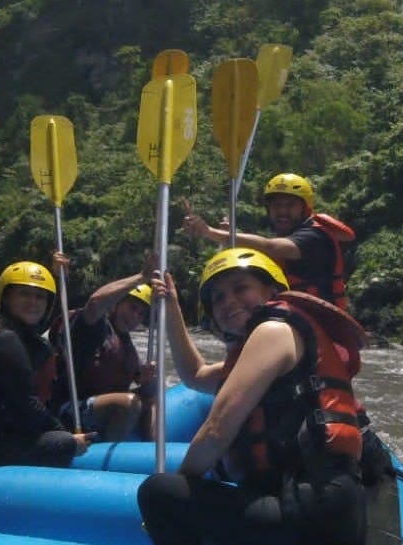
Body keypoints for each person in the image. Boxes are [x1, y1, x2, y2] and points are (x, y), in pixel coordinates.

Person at [137, 248, 369, 545]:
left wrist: (181, 491)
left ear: (272, 290)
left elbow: (216, 430)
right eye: (218, 297)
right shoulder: (276, 341)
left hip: (311, 509)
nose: (228, 301)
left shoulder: (273, 331)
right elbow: (195, 375)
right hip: (315, 503)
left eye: (240, 288)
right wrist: (171, 306)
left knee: (159, 493)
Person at [0, 256, 96, 476]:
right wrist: (67, 436)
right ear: (7, 297)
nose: (33, 302)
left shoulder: (9, 332)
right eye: (24, 294)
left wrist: (60, 277)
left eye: (40, 297)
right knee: (61, 443)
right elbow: (26, 405)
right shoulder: (3, 338)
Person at [181, 173, 357, 311]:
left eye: (290, 205)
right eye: (276, 206)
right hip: (296, 317)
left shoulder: (315, 236)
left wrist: (210, 232)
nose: (282, 211)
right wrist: (229, 237)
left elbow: (270, 247)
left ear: (305, 208)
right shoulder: (292, 237)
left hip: (322, 325)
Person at [56, 262, 161, 441]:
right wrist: (142, 277)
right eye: (132, 307)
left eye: (141, 314)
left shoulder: (127, 347)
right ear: (116, 305)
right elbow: (95, 303)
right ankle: (104, 460)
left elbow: (142, 384)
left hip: (100, 409)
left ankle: (154, 452)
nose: (135, 316)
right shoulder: (93, 327)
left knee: (150, 397)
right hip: (72, 410)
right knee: (129, 403)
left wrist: (148, 381)